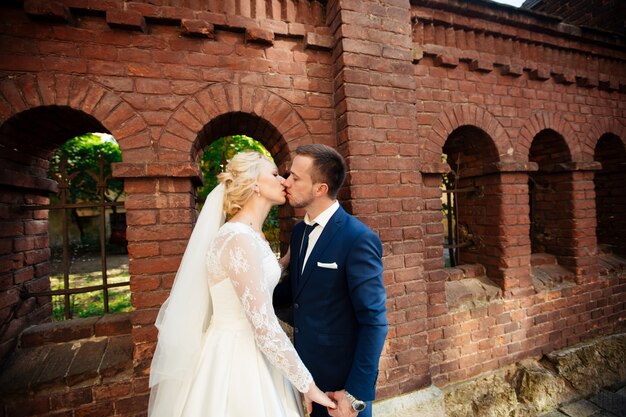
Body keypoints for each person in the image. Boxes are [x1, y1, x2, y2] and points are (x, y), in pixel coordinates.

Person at [148, 151, 335, 417]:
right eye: (273, 174)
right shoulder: (237, 238)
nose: (283, 180)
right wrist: (307, 384)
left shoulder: (251, 234)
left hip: (257, 351)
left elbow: (255, 279)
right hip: (237, 358)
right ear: (254, 184)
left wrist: (287, 260)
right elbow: (263, 324)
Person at [274, 144, 388, 417]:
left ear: (320, 189)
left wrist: (355, 395)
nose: (286, 182)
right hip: (305, 379)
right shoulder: (299, 232)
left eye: (295, 177)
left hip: (341, 390)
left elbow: (374, 321)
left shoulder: (359, 239)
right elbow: (296, 295)